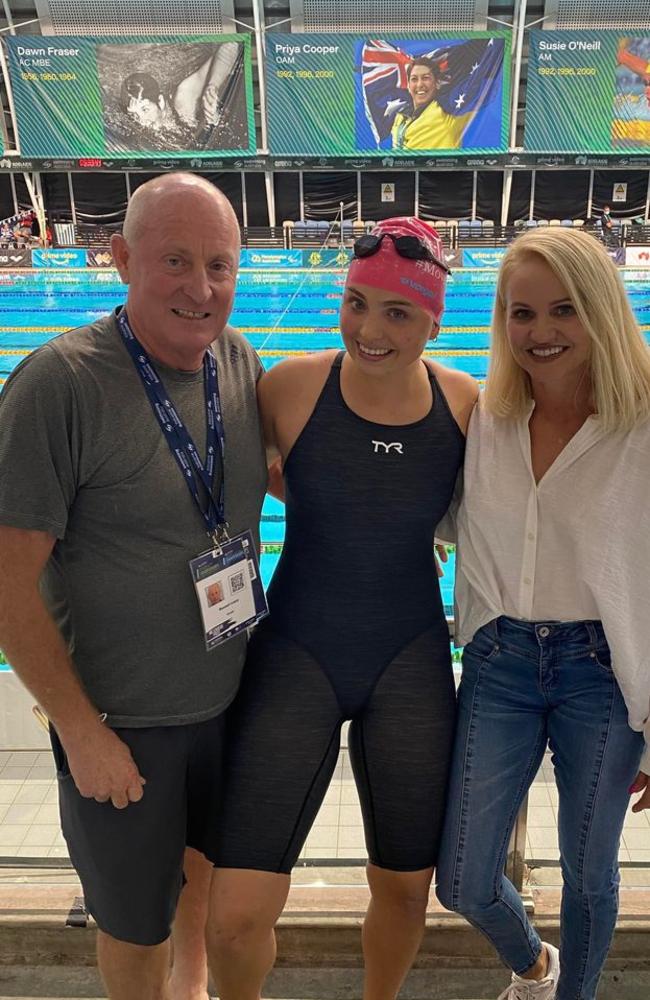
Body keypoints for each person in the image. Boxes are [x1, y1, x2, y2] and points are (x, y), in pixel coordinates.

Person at [0, 172, 267, 1000]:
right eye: (175, 261)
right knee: (132, 922)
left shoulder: (236, 357)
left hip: (227, 706)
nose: (201, 288)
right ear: (119, 259)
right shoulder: (61, 385)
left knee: (200, 888)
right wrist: (81, 731)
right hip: (123, 728)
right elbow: (7, 583)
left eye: (219, 265)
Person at [205, 217, 478, 1000]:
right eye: (357, 303)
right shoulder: (288, 387)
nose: (369, 329)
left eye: (397, 312)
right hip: (296, 655)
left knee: (402, 888)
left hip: (411, 664)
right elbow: (258, 489)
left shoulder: (465, 407)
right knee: (233, 914)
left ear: (434, 319)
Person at [436, 227, 650, 1000]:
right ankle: (534, 964)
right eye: (521, 313)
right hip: (501, 665)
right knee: (461, 876)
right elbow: (438, 513)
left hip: (604, 676)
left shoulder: (643, 423)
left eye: (563, 310)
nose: (540, 332)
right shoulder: (485, 421)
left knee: (590, 873)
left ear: (599, 310)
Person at [120, 41, 243, 148]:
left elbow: (231, 46)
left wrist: (212, 87)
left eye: (145, 109)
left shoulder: (184, 99)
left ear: (160, 102)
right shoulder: (141, 130)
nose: (142, 121)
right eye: (135, 115)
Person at [391, 57, 473, 151]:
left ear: (437, 83)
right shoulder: (400, 117)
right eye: (414, 79)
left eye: (425, 78)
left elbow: (481, 90)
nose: (419, 84)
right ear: (408, 86)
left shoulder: (448, 112)